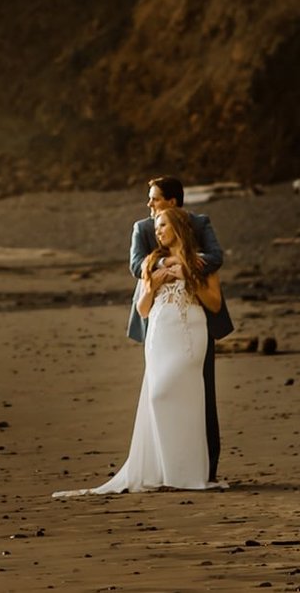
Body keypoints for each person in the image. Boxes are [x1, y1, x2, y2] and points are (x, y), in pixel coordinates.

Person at [57, 197, 222, 494]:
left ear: (178, 227)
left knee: (187, 397)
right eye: (156, 227)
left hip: (189, 331)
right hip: (160, 333)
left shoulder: (199, 262)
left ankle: (188, 473)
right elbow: (143, 308)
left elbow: (214, 302)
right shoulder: (150, 261)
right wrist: (156, 282)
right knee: (158, 396)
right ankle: (164, 471)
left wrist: (189, 276)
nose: (157, 231)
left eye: (162, 225)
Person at [131, 175, 231, 482]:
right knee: (160, 393)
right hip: (160, 322)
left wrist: (186, 267)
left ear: (172, 202)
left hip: (194, 321)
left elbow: (215, 258)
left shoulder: (199, 223)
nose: (149, 205)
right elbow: (137, 266)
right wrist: (160, 269)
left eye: (155, 198)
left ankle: (205, 469)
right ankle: (165, 467)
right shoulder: (143, 229)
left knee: (203, 397)